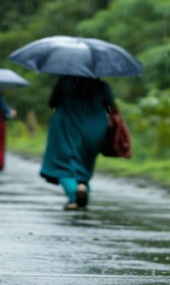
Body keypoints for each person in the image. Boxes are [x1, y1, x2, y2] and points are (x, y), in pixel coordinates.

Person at [40, 74, 115, 211]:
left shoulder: (64, 81)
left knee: (62, 163)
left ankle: (74, 196)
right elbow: (111, 107)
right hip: (95, 127)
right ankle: (82, 185)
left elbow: (53, 102)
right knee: (85, 161)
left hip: (67, 125)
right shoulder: (102, 86)